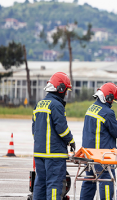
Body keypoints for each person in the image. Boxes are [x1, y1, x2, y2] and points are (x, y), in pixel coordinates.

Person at [32, 72, 75, 200]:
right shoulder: (56, 105)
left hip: (39, 153)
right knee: (54, 184)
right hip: (54, 154)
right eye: (66, 90)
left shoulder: (39, 104)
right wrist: (71, 140)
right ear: (60, 89)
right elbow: (62, 129)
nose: (66, 94)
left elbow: (34, 130)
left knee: (40, 184)